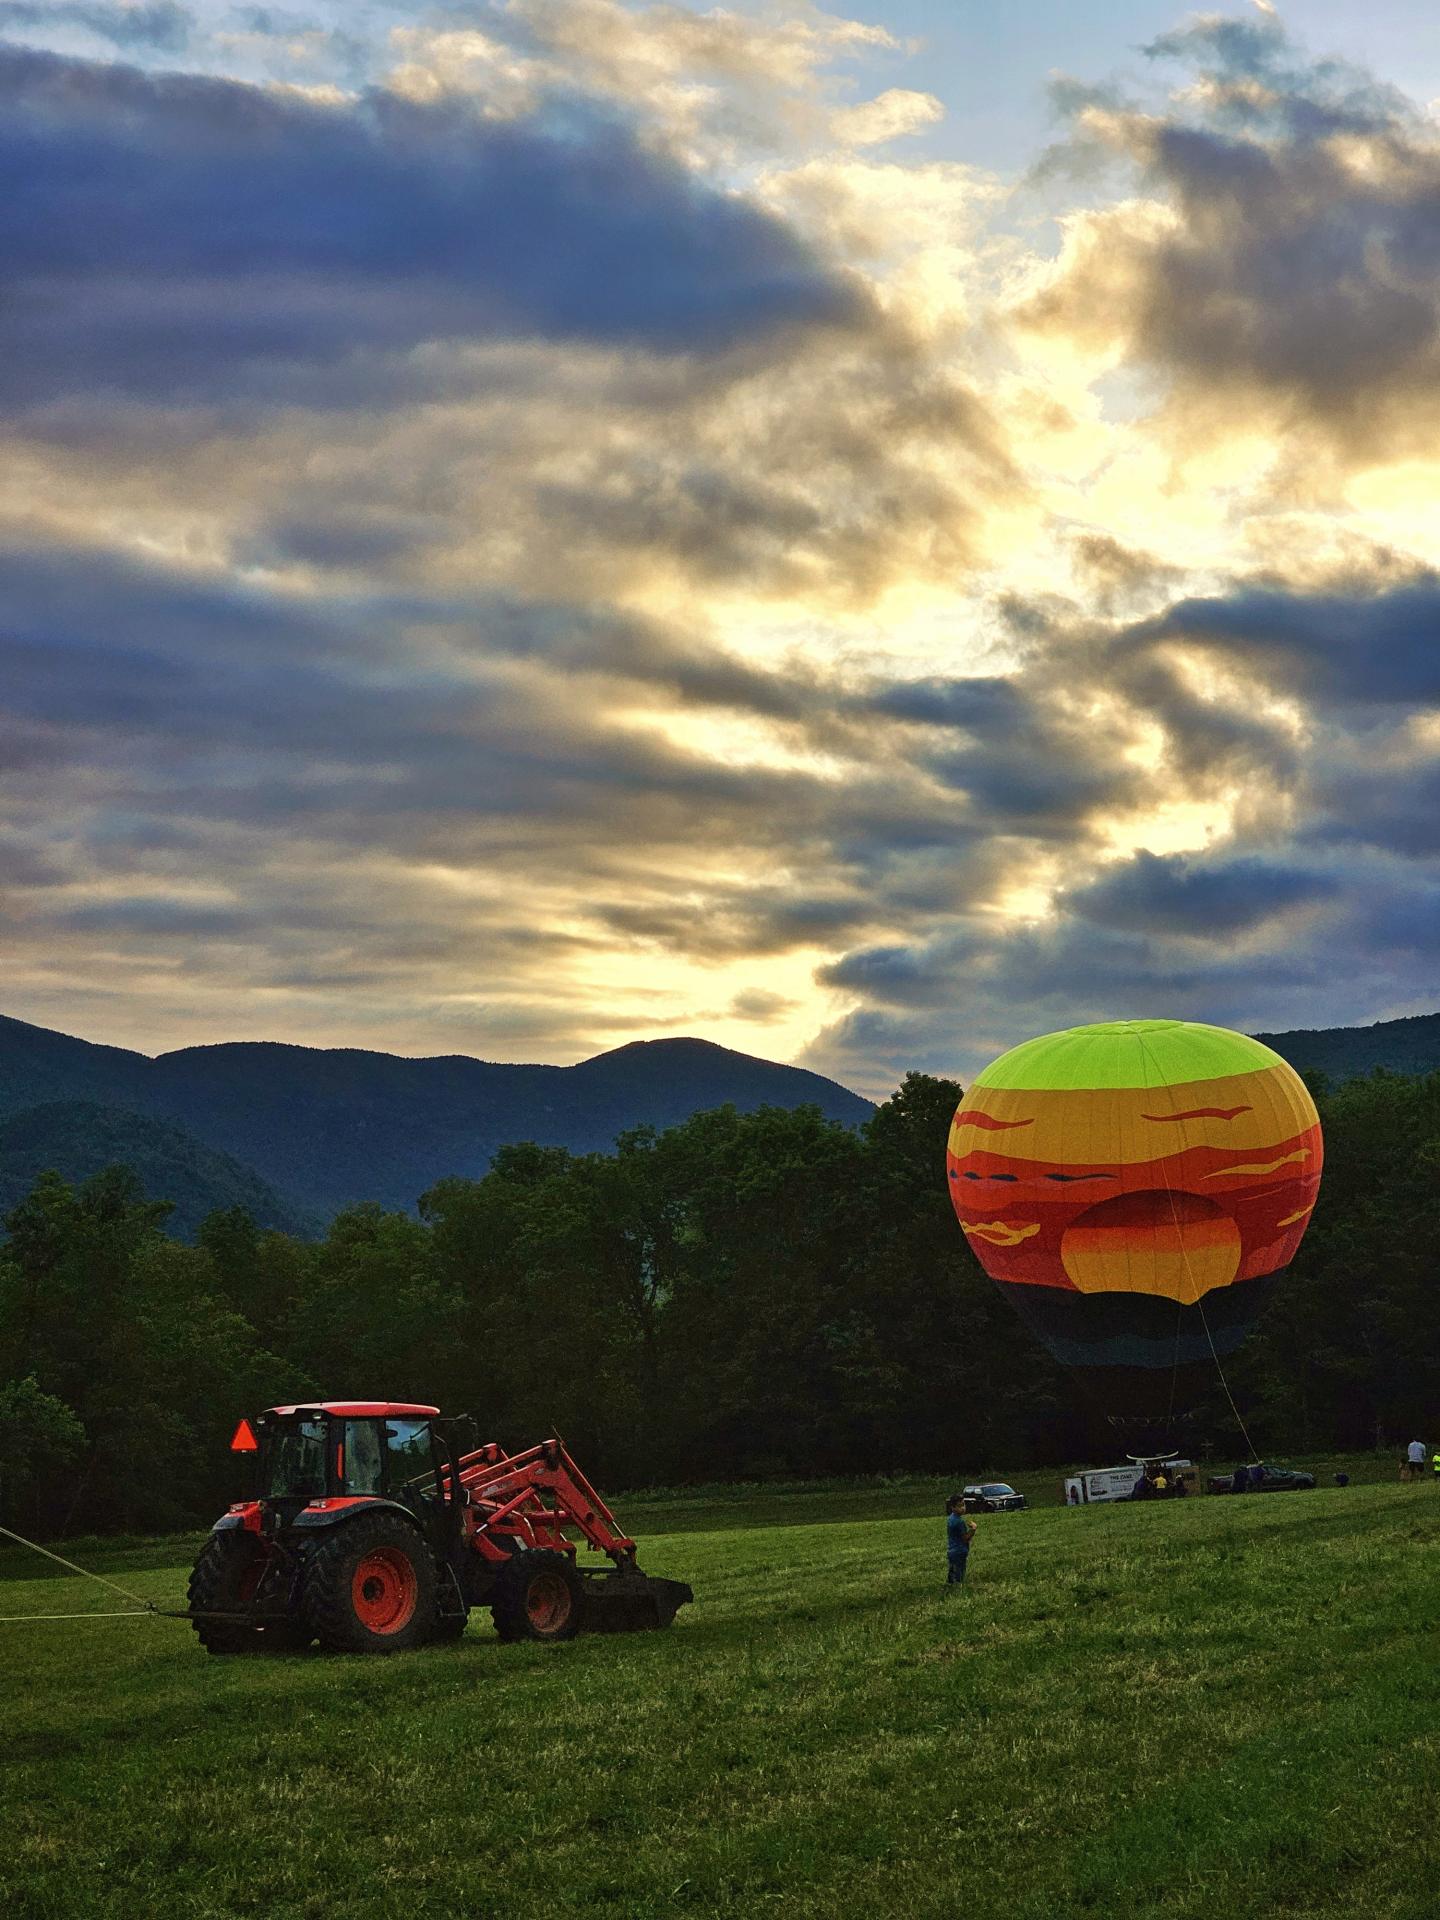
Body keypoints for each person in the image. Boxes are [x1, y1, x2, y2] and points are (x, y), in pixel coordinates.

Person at [945, 1495, 977, 1587]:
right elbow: (965, 1538)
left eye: (963, 1505)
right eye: (959, 1506)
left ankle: (950, 1587)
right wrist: (973, 1529)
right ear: (953, 1507)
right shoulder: (959, 1522)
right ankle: (957, 1588)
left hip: (952, 1550)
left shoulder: (951, 1518)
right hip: (959, 1550)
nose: (963, 1508)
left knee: (952, 1572)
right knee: (959, 1573)